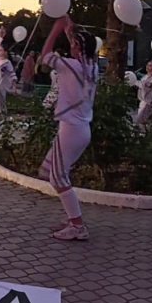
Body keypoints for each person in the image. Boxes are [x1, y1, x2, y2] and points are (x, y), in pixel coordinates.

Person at [38, 15, 98, 241]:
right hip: (79, 129)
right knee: (49, 172)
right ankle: (73, 217)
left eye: (73, 45)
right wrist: (69, 29)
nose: (70, 47)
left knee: (57, 178)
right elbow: (79, 49)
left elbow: (45, 56)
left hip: (71, 129)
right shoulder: (91, 68)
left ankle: (77, 225)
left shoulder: (69, 66)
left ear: (77, 49)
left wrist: (56, 30)